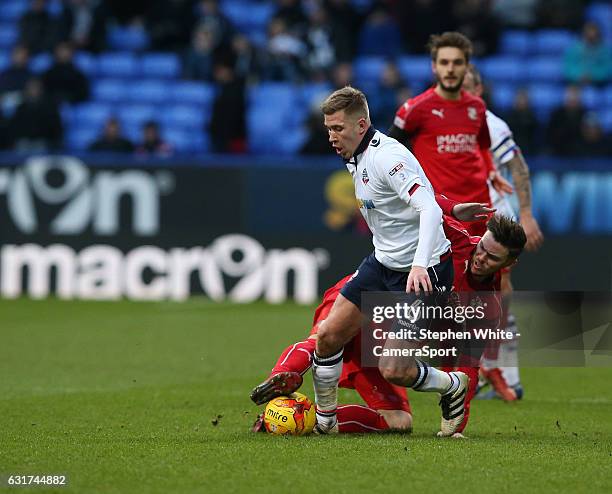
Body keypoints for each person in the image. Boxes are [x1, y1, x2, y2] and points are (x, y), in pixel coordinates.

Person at [250, 195, 498, 435]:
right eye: (482, 247)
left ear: (509, 263)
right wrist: (453, 208)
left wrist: (457, 422)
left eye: (492, 256)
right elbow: (425, 201)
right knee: (326, 338)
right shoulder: (455, 240)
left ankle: (303, 417)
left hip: (384, 340)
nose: (481, 257)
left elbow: (465, 361)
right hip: (361, 297)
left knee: (399, 421)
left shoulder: (484, 307)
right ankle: (280, 377)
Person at [313, 86, 468, 437]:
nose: (331, 137)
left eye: (337, 129)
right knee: (328, 337)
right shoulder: (356, 156)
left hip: (424, 271)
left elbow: (426, 207)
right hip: (382, 264)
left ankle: (453, 384)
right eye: (328, 129)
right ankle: (326, 425)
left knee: (394, 369)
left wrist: (418, 264)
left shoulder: (387, 157)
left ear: (361, 124)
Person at [462, 63, 544, 400]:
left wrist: (526, 213)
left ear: (479, 90)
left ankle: (506, 375)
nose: (460, 92)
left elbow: (518, 167)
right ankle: (476, 370)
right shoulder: (438, 125)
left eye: (467, 86)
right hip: (458, 215)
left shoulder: (491, 124)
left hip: (492, 217)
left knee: (498, 293)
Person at [389, 32, 513, 237]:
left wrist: (491, 171)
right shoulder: (415, 109)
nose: (450, 69)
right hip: (441, 211)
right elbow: (390, 151)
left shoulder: (477, 107)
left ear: (466, 67)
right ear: (434, 67)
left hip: (479, 207)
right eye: (444, 62)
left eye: (457, 62)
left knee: (489, 266)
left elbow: (482, 145)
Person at [563, 22, 612, 87]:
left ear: (598, 36)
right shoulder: (574, 50)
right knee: (571, 92)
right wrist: (579, 75)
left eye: (594, 36)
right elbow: (568, 68)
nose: (591, 38)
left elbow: (608, 69)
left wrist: (593, 76)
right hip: (577, 83)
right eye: (588, 37)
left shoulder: (605, 51)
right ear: (583, 35)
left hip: (600, 85)